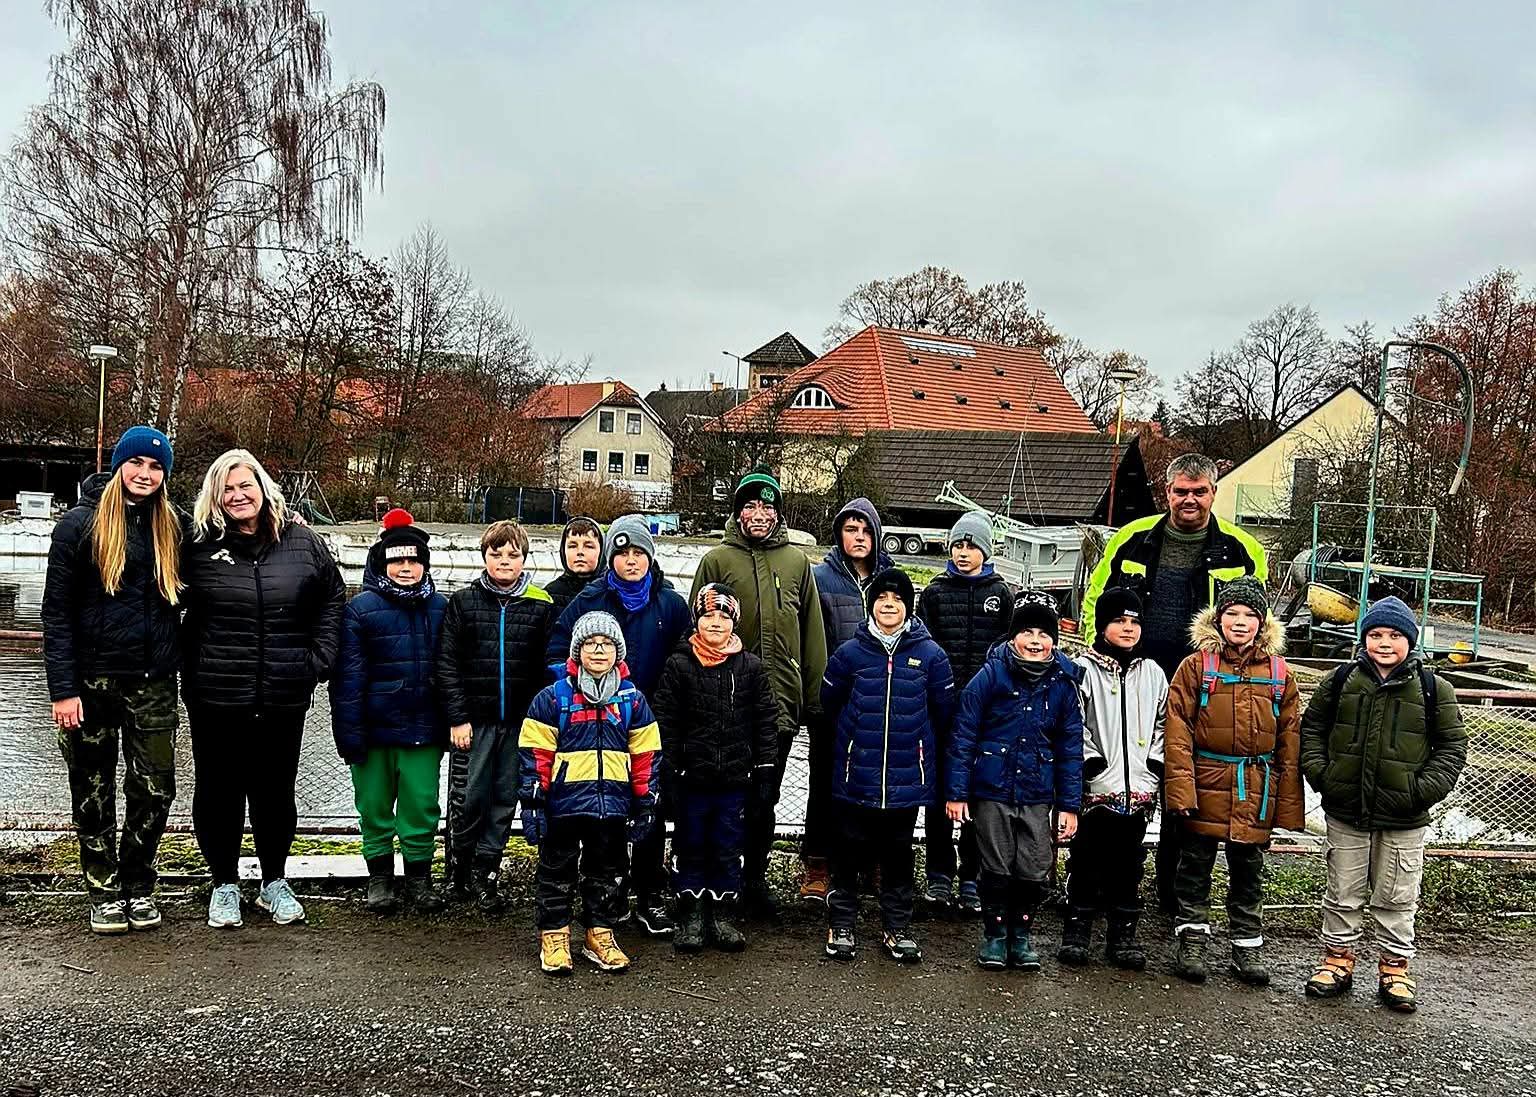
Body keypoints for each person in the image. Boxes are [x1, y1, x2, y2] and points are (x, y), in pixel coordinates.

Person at [1080, 452, 1268, 914]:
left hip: (1204, 690)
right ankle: (1104, 886)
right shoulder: (1131, 538)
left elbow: (1255, 622)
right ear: (1167, 492)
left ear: (1214, 493)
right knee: (1116, 782)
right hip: (1133, 682)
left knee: (1185, 793)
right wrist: (1097, 657)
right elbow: (1095, 601)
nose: (1189, 500)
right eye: (1181, 491)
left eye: (1199, 492)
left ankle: (1174, 894)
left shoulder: (1242, 549)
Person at [181, 449, 345, 929]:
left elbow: (332, 598)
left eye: (245, 485)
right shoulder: (198, 545)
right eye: (227, 489)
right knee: (218, 792)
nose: (237, 496)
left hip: (283, 692)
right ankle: (224, 883)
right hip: (215, 694)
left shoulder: (303, 542)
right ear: (215, 497)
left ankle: (274, 880)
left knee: (275, 791)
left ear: (263, 487)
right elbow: (165, 600)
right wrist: (187, 661)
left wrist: (318, 659)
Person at [42, 426, 182, 935]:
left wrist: (284, 521)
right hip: (90, 684)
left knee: (156, 788)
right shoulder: (78, 526)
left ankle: (138, 884)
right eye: (137, 463)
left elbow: (226, 537)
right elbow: (56, 613)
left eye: (156, 467)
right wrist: (63, 690)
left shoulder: (174, 526)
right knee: (92, 790)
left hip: (154, 683)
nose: (145, 474)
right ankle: (103, 890)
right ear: (120, 464)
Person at [1300, 597, 1467, 1013]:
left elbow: (1451, 748)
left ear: (1410, 640)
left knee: (1397, 895)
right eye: (1375, 634)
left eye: (1394, 635)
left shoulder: (1433, 689)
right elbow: (1312, 730)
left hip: (1404, 817)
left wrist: (1419, 792)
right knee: (1343, 890)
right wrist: (1324, 777)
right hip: (1346, 809)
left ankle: (1395, 968)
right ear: (1364, 639)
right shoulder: (1341, 680)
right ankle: (1337, 960)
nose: (1385, 643)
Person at [691, 466, 827, 918]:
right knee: (721, 799)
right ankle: (713, 882)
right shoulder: (717, 561)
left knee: (764, 798)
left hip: (778, 706)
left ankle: (754, 879)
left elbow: (812, 634)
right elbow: (696, 632)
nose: (759, 514)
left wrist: (813, 699)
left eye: (767, 506)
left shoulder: (796, 564)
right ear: (737, 512)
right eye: (750, 505)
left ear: (778, 513)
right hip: (725, 707)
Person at [547, 513, 691, 935]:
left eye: (639, 553)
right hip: (599, 724)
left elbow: (686, 658)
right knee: (607, 810)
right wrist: (577, 692)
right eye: (623, 553)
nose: (631, 561)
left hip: (651, 722)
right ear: (611, 557)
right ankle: (612, 892)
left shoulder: (670, 604)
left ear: (650, 557)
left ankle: (650, 893)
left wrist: (669, 705)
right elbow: (557, 650)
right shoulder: (591, 599)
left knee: (650, 807)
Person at [1163, 577, 1303, 987]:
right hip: (1206, 779)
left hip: (1255, 785)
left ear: (1262, 622)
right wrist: (1181, 790)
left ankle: (1247, 944)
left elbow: (1290, 741)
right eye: (1232, 613)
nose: (1240, 622)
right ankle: (1192, 939)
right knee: (1194, 865)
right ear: (1218, 618)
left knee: (1249, 870)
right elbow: (1177, 731)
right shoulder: (1196, 667)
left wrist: (1286, 803)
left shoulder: (1279, 673)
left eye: (1249, 615)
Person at [819, 568, 955, 964]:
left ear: (908, 606)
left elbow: (943, 712)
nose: (889, 605)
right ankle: (842, 922)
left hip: (906, 779)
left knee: (898, 855)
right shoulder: (849, 653)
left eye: (897, 599)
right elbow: (830, 704)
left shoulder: (931, 656)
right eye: (881, 598)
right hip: (856, 775)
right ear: (871, 605)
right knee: (847, 852)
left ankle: (897, 926)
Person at [945, 589, 1083, 972]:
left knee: (1032, 864)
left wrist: (1069, 805)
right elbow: (963, 735)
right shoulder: (990, 676)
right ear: (1013, 637)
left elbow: (1071, 747)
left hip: (1038, 791)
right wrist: (957, 792)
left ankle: (1021, 936)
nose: (1035, 641)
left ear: (1054, 640)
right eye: (1027, 633)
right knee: (996, 863)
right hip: (992, 787)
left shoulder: (1063, 685)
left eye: (1044, 634)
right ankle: (995, 934)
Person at [518, 611, 662, 975]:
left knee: (606, 871)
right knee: (556, 871)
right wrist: (533, 803)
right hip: (563, 805)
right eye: (590, 644)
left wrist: (644, 801)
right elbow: (535, 755)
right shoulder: (552, 698)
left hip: (612, 805)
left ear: (618, 652)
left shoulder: (632, 700)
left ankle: (600, 933)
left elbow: (646, 755)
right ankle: (554, 935)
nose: (599, 651)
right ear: (577, 651)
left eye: (607, 644)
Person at [652, 583, 785, 953]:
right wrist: (668, 772)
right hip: (691, 778)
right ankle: (691, 912)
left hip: (734, 779)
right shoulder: (679, 664)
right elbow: (666, 722)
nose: (715, 622)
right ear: (697, 619)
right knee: (690, 843)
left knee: (728, 845)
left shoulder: (751, 667)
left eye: (724, 616)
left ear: (735, 623)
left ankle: (723, 912)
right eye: (708, 615)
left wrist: (765, 770)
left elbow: (766, 722)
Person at [331, 509, 449, 915]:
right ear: (383, 564)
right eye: (397, 561)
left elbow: (450, 670)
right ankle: (379, 878)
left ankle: (419, 879)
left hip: (423, 729)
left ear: (424, 564)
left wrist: (451, 720)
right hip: (373, 731)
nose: (406, 568)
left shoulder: (441, 608)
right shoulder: (360, 610)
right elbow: (347, 680)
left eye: (413, 561)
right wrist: (349, 734)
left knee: (422, 806)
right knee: (374, 807)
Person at [436, 519, 556, 910]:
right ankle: (458, 871)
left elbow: (546, 668)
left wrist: (541, 723)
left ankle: (486, 873)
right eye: (496, 553)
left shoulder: (540, 606)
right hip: (474, 722)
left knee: (505, 799)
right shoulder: (463, 602)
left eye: (513, 554)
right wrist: (457, 717)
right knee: (468, 798)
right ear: (484, 556)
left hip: (520, 724)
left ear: (524, 559)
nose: (504, 560)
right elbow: (448, 663)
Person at [1063, 587, 1167, 970]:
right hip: (1097, 787)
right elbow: (1072, 722)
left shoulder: (1153, 672)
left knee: (1129, 863)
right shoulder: (1083, 670)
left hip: (1138, 788)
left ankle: (1123, 935)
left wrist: (1156, 762)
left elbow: (1164, 721)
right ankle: (1077, 931)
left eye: (1134, 622)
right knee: (1086, 859)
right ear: (1102, 624)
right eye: (1119, 621)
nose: (1128, 628)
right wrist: (1089, 760)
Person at [915, 509, 1013, 916]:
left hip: (986, 713)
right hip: (943, 708)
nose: (963, 552)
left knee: (978, 794)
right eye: (957, 544)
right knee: (940, 794)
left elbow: (1009, 650)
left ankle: (972, 875)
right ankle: (938, 873)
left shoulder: (1001, 594)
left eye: (971, 546)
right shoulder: (935, 593)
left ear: (985, 551)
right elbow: (923, 645)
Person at [802, 497, 892, 903]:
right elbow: (810, 638)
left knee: (873, 784)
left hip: (877, 704)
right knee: (824, 783)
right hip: (832, 701)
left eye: (866, 530)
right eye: (851, 529)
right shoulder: (820, 578)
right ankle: (818, 865)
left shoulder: (890, 581)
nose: (859, 537)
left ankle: (870, 862)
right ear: (839, 533)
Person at [544, 516, 605, 615]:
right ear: (563, 551)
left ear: (602, 551)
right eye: (572, 546)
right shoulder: (548, 595)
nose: (580, 552)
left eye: (588, 546)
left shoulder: (615, 592)